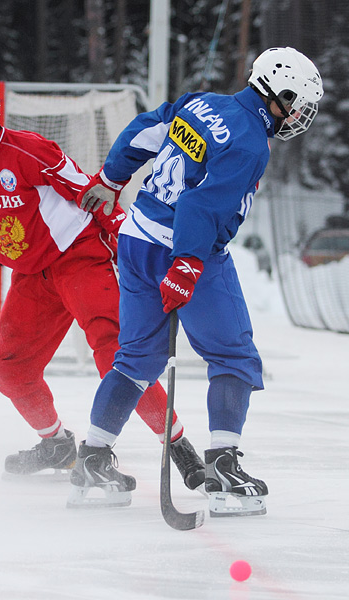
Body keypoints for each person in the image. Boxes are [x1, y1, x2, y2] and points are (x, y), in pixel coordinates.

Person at [0, 71, 204, 497]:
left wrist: (132, 254)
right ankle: (56, 443)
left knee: (117, 356)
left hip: (79, 259)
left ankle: (180, 448)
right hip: (33, 277)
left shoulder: (30, 149)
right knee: (9, 370)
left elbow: (92, 194)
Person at [70, 47, 324, 516]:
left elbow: (144, 130)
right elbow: (198, 208)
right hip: (185, 249)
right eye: (297, 104)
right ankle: (224, 466)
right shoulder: (250, 142)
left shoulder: (202, 102)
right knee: (234, 355)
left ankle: (92, 458)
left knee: (136, 360)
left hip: (137, 237)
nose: (299, 116)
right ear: (276, 94)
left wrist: (111, 177)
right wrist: (186, 266)